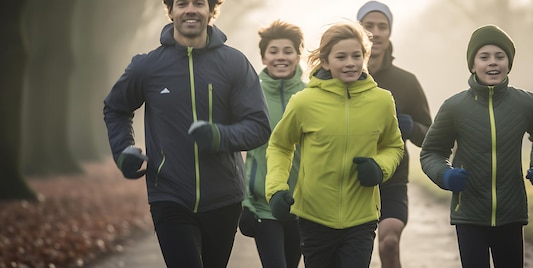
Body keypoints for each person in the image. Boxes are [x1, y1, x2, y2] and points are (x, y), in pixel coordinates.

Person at [102, 0, 271, 267]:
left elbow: (259, 126)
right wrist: (123, 150)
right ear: (170, 11)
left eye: (199, 3)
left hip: (223, 198)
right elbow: (115, 108)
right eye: (182, 3)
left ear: (211, 10)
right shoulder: (147, 67)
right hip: (169, 196)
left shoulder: (234, 63)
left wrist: (218, 136)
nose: (190, 9)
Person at [264, 21, 405, 268]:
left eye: (356, 55)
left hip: (361, 219)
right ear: (326, 61)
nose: (350, 62)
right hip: (313, 218)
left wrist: (379, 167)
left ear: (365, 57)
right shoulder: (304, 102)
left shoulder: (382, 101)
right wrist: (276, 189)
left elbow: (394, 146)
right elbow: (280, 146)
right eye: (341, 56)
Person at [419, 24, 533, 268]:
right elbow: (431, 152)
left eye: (499, 56)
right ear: (473, 65)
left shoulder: (526, 103)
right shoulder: (454, 107)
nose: (492, 62)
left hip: (511, 213)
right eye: (484, 57)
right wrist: (446, 175)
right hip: (469, 213)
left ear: (509, 63)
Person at [356, 2, 432, 267]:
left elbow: (431, 138)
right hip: (350, 180)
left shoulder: (406, 82)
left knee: (389, 243)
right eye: (368, 26)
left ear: (390, 32)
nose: (375, 33)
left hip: (392, 180)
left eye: (382, 26)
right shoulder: (342, 76)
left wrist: (410, 127)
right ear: (357, 30)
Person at [239, 20, 305, 268]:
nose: (281, 57)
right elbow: (239, 153)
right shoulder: (250, 96)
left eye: (288, 51)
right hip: (262, 206)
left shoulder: (310, 97)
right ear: (264, 57)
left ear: (298, 55)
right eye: (273, 51)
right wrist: (245, 202)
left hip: (301, 206)